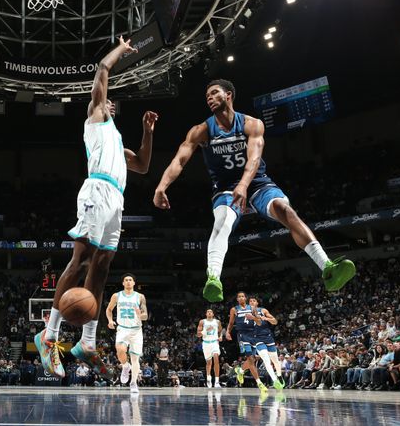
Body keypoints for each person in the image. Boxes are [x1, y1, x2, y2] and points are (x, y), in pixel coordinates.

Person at [152, 79, 356, 302]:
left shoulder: (252, 124)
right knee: (222, 221)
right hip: (225, 189)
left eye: (214, 93)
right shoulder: (201, 130)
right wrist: (161, 187)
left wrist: (244, 184)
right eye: (207, 96)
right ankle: (213, 279)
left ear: (228, 95)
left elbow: (254, 158)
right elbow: (179, 161)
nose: (209, 98)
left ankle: (327, 267)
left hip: (257, 183)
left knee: (285, 210)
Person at [34, 36, 158, 380]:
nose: (109, 105)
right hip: (97, 190)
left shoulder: (117, 141)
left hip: (117, 198)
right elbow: (103, 69)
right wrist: (122, 49)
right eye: (106, 102)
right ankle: (49, 335)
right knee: (81, 259)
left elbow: (144, 165)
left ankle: (87, 342)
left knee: (102, 266)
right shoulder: (95, 121)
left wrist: (147, 132)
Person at [105, 273, 148, 394]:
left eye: (130, 280)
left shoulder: (140, 297)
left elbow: (145, 315)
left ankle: (133, 383)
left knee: (135, 359)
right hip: (122, 328)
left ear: (134, 283)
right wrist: (110, 320)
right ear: (123, 283)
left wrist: (141, 315)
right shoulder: (116, 296)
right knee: (120, 349)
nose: (128, 281)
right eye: (126, 280)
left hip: (136, 330)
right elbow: (109, 309)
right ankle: (125, 366)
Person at [225, 292, 265, 391]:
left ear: (245, 298)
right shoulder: (234, 309)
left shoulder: (252, 308)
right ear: (237, 300)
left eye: (243, 296)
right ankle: (259, 383)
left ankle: (241, 371)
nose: (241, 298)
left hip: (253, 334)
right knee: (251, 359)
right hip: (242, 335)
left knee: (253, 359)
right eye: (239, 297)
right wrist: (227, 332)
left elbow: (259, 322)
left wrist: (254, 318)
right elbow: (231, 323)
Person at [247, 296, 284, 390]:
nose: (251, 302)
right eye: (250, 301)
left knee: (275, 360)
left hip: (267, 337)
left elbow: (275, 321)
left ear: (257, 303)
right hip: (257, 338)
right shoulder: (245, 313)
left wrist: (266, 319)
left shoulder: (263, 310)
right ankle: (275, 380)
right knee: (266, 360)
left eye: (253, 301)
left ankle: (279, 376)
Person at [197, 309, 222, 388]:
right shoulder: (202, 322)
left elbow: (220, 331)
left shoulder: (217, 322)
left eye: (211, 311)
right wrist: (206, 330)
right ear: (206, 314)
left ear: (213, 314)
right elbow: (198, 335)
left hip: (214, 342)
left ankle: (217, 382)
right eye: (208, 312)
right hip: (206, 343)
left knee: (216, 358)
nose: (209, 312)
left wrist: (220, 336)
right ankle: (209, 378)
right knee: (209, 363)